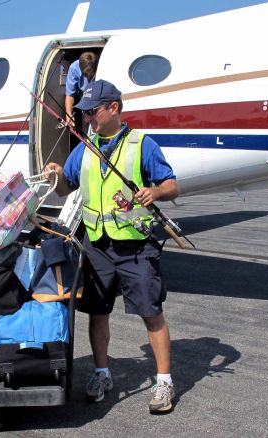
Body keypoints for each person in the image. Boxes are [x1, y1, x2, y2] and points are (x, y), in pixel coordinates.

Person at [44, 79, 180, 413]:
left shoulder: (141, 145)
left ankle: (164, 382)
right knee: (97, 313)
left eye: (92, 112)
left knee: (151, 312)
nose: (87, 118)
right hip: (97, 247)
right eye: (85, 113)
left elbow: (172, 185)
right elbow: (65, 187)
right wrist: (56, 173)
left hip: (135, 245)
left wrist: (155, 193)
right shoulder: (84, 148)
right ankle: (102, 374)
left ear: (114, 108)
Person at [64, 51, 99, 127]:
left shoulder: (101, 63)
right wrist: (69, 114)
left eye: (91, 73)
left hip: (101, 100)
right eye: (86, 74)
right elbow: (70, 95)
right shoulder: (74, 68)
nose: (89, 76)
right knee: (88, 133)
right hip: (85, 101)